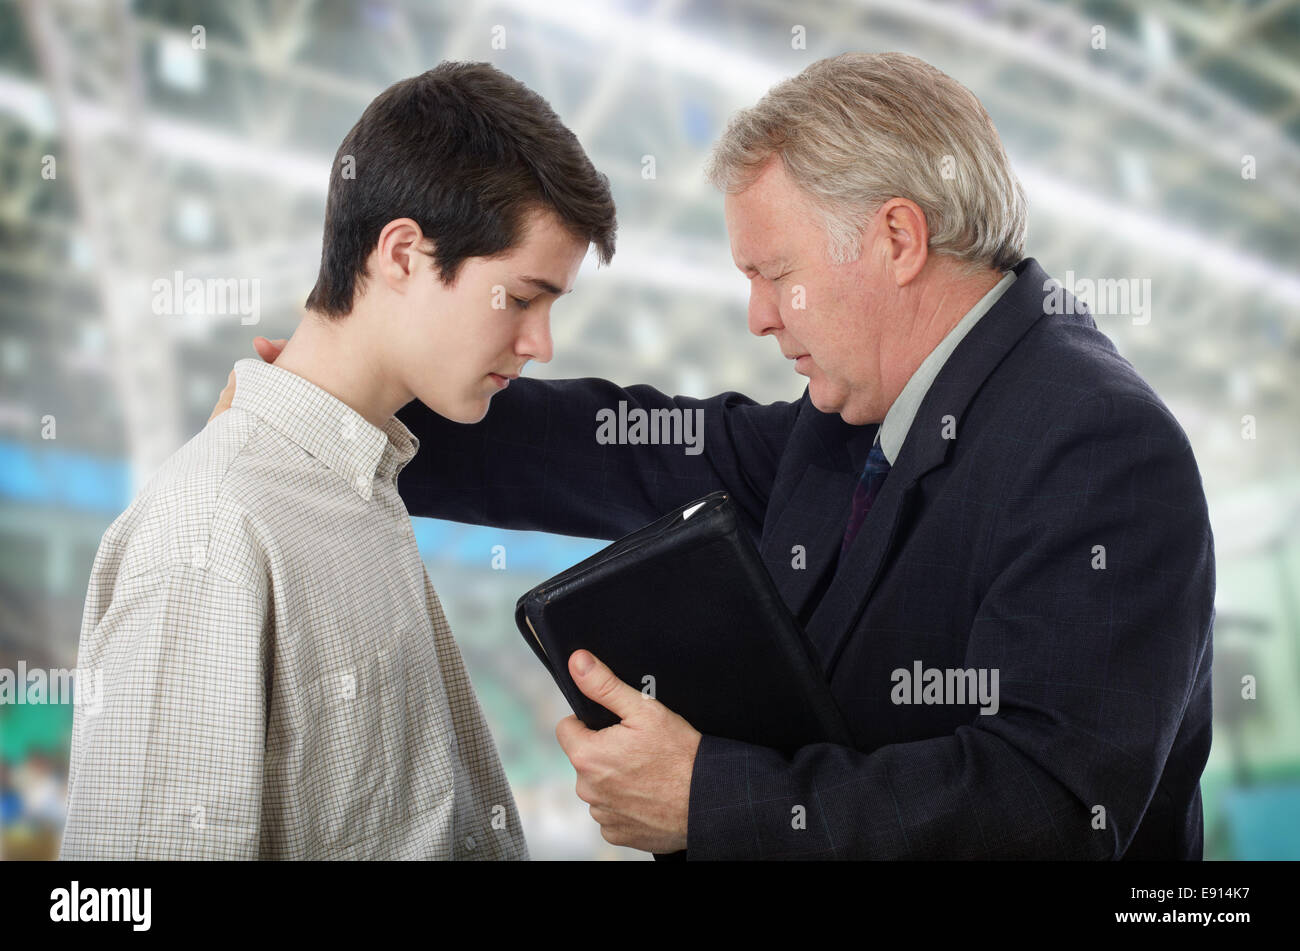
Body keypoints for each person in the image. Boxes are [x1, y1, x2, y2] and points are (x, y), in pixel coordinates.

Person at [214, 52, 1215, 860]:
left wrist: (714, 803)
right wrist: (356, 395)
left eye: (775, 274)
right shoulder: (859, 414)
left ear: (895, 239)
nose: (757, 317)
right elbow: (632, 450)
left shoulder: (1099, 450)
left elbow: (1046, 808)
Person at [62, 62, 616, 860]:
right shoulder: (213, 529)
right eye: (522, 298)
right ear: (401, 254)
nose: (540, 344)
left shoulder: (363, 483)